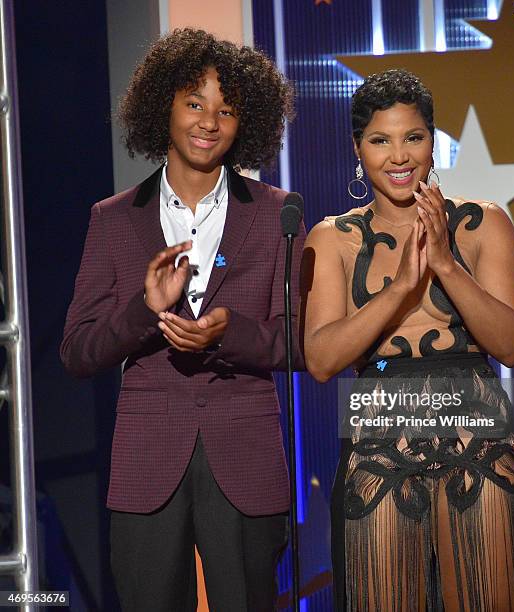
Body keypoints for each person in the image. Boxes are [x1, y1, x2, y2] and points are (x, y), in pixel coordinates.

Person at [60, 28, 305, 612]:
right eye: (195, 103)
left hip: (245, 458)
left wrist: (229, 333)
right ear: (162, 106)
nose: (209, 122)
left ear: (247, 122)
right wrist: (144, 310)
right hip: (148, 462)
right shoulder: (114, 220)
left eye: (227, 110)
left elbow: (302, 342)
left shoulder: (279, 213)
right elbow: (76, 351)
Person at [300, 69, 514, 611]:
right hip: (379, 447)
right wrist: (403, 285)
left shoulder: (485, 223)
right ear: (357, 149)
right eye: (380, 140)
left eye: (414, 137)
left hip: (478, 441)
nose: (399, 156)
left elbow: (511, 344)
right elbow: (321, 359)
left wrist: (447, 266)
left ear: (433, 141)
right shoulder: (332, 238)